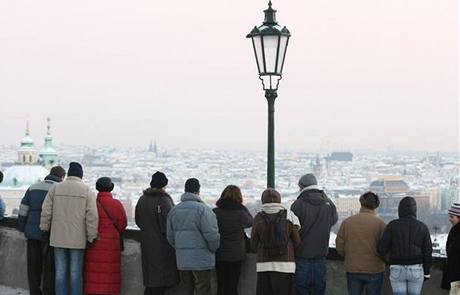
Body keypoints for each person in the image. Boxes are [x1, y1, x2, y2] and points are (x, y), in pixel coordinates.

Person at [40, 162, 99, 295]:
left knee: (60, 272)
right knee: (76, 273)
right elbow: (92, 216)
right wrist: (91, 236)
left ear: (68, 174)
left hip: (57, 237)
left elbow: (46, 211)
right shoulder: (86, 190)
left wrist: (44, 229)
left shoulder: (56, 188)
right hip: (78, 239)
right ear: (81, 175)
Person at [17, 166, 66, 295]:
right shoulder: (59, 189)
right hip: (50, 233)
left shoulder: (33, 187)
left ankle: (34, 291)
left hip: (32, 232)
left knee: (33, 266)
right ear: (62, 177)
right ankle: (48, 291)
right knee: (49, 267)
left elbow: (23, 208)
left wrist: (22, 226)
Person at [166, 178, 220, 295]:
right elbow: (212, 236)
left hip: (183, 261)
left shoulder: (174, 211)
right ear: (198, 191)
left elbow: (170, 237)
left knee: (186, 290)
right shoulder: (204, 210)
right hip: (202, 260)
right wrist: (213, 249)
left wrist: (180, 249)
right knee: (203, 290)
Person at [291, 173, 338, 295]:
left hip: (302, 254)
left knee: (301, 289)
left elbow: (291, 228)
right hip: (320, 254)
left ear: (302, 186)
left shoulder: (298, 204)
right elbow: (334, 220)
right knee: (318, 289)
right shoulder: (328, 203)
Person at [378, 196, 432, 295]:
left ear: (400, 210)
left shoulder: (392, 225)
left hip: (397, 267)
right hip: (416, 268)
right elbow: (428, 251)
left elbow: (382, 249)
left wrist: (389, 261)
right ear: (415, 210)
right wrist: (427, 272)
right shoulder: (422, 227)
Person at [135, 172, 179, 295]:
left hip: (146, 243)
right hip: (162, 246)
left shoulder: (142, 199)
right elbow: (169, 224)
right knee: (160, 283)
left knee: (151, 282)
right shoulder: (164, 200)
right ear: (164, 185)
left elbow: (138, 220)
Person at [251, 188, 300, 295]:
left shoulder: (258, 218)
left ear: (263, 200)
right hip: (286, 265)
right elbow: (297, 241)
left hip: (264, 265)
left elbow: (253, 244)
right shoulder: (289, 216)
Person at [335, 191, 386, 295]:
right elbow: (385, 248)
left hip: (353, 268)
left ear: (361, 203)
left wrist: (348, 256)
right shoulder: (381, 225)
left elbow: (339, 245)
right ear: (376, 205)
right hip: (374, 269)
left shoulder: (347, 222)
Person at [84, 177, 127, 295]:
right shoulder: (116, 204)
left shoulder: (91, 204)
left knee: (94, 275)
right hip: (112, 247)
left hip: (93, 244)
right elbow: (122, 224)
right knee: (109, 276)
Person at [213, 185, 253, 295]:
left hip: (220, 252)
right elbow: (250, 222)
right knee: (233, 284)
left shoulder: (216, 212)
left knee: (221, 284)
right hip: (236, 254)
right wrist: (242, 207)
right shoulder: (240, 212)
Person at [441, 203, 460, 294]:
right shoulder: (455, 231)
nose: (449, 219)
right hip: (455, 277)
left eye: (452, 217)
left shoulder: (456, 232)